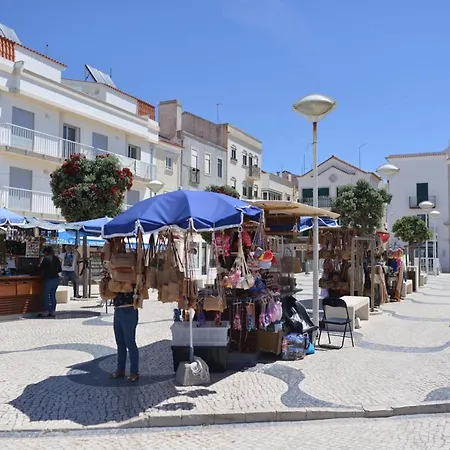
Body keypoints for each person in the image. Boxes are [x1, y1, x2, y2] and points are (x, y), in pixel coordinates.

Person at [110, 290, 139, 382]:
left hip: (129, 309)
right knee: (120, 342)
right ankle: (120, 369)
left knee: (130, 342)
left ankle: (134, 372)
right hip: (118, 309)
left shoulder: (132, 276)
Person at [38, 246, 62, 318]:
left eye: (44, 253)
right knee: (52, 295)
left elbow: (41, 268)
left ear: (46, 252)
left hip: (49, 279)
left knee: (46, 295)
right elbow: (59, 270)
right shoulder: (56, 258)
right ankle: (52, 311)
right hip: (56, 279)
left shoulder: (46, 259)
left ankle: (45, 311)